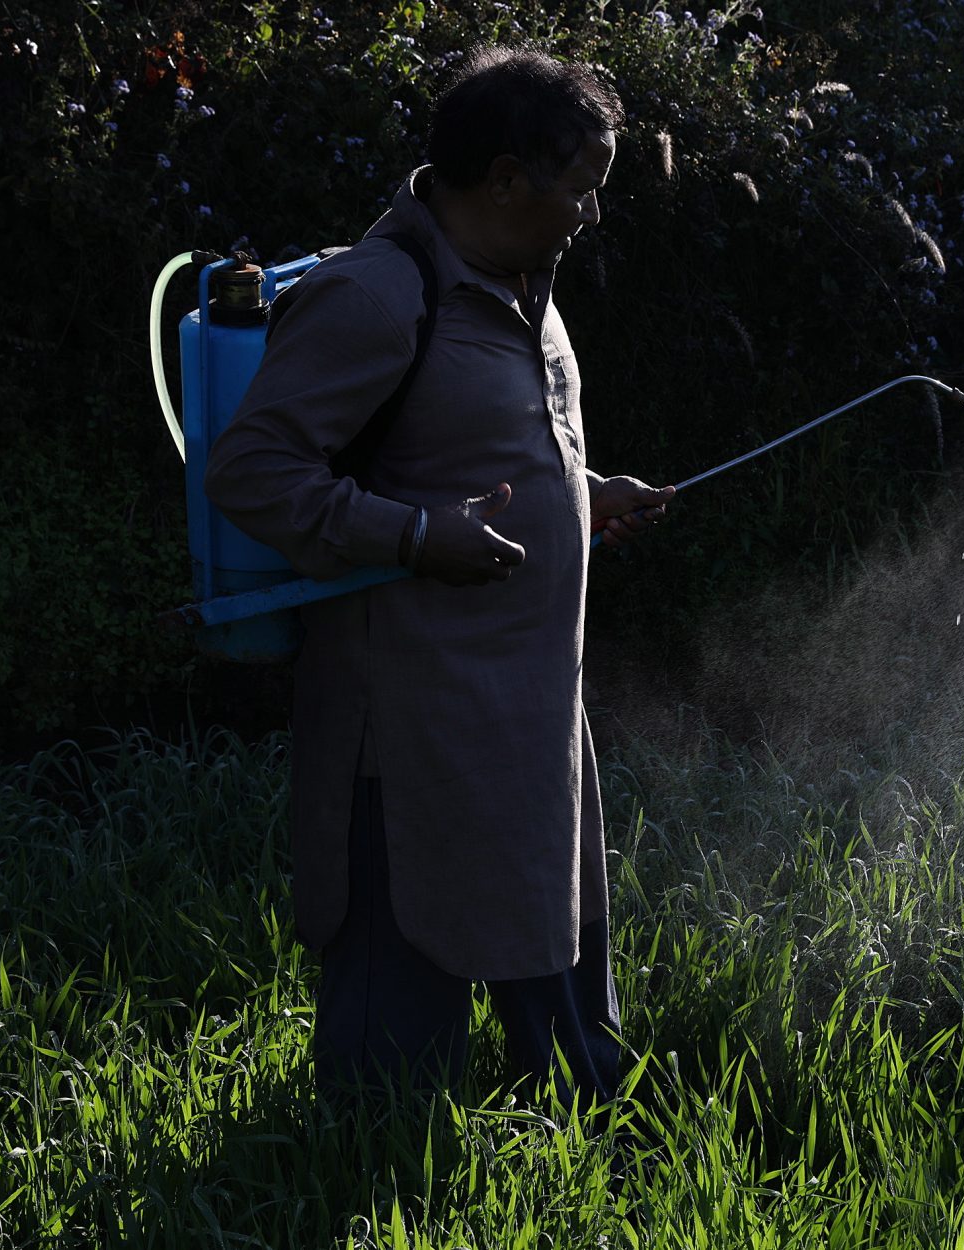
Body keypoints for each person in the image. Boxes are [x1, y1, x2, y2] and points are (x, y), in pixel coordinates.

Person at [204, 45, 673, 1105]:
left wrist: (581, 492)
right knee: (399, 965)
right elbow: (251, 470)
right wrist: (416, 537)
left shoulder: (522, 281)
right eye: (582, 187)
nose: (591, 214)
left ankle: (573, 1110)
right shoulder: (375, 293)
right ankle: (373, 1160)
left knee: (546, 910)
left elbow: (475, 445)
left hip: (531, 695)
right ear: (506, 179)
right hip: (409, 714)